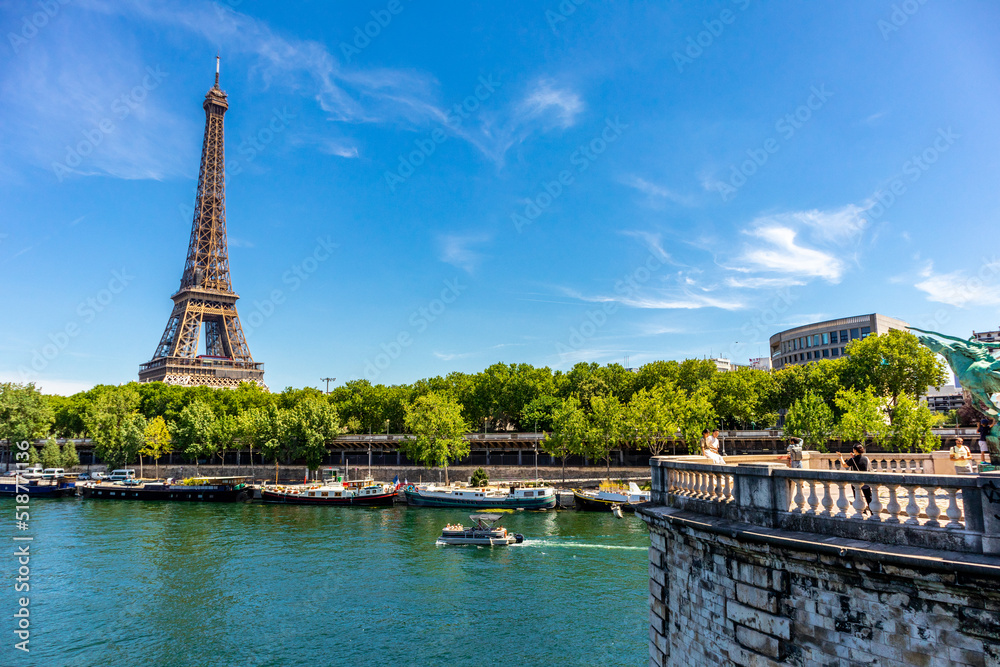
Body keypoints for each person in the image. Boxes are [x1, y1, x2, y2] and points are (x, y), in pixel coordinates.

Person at [839, 444, 872, 513]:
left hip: (856, 481)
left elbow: (844, 465)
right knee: (869, 498)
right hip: (866, 480)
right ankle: (873, 512)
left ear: (855, 450)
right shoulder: (866, 458)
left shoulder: (853, 460)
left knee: (858, 497)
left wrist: (841, 457)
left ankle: (863, 512)